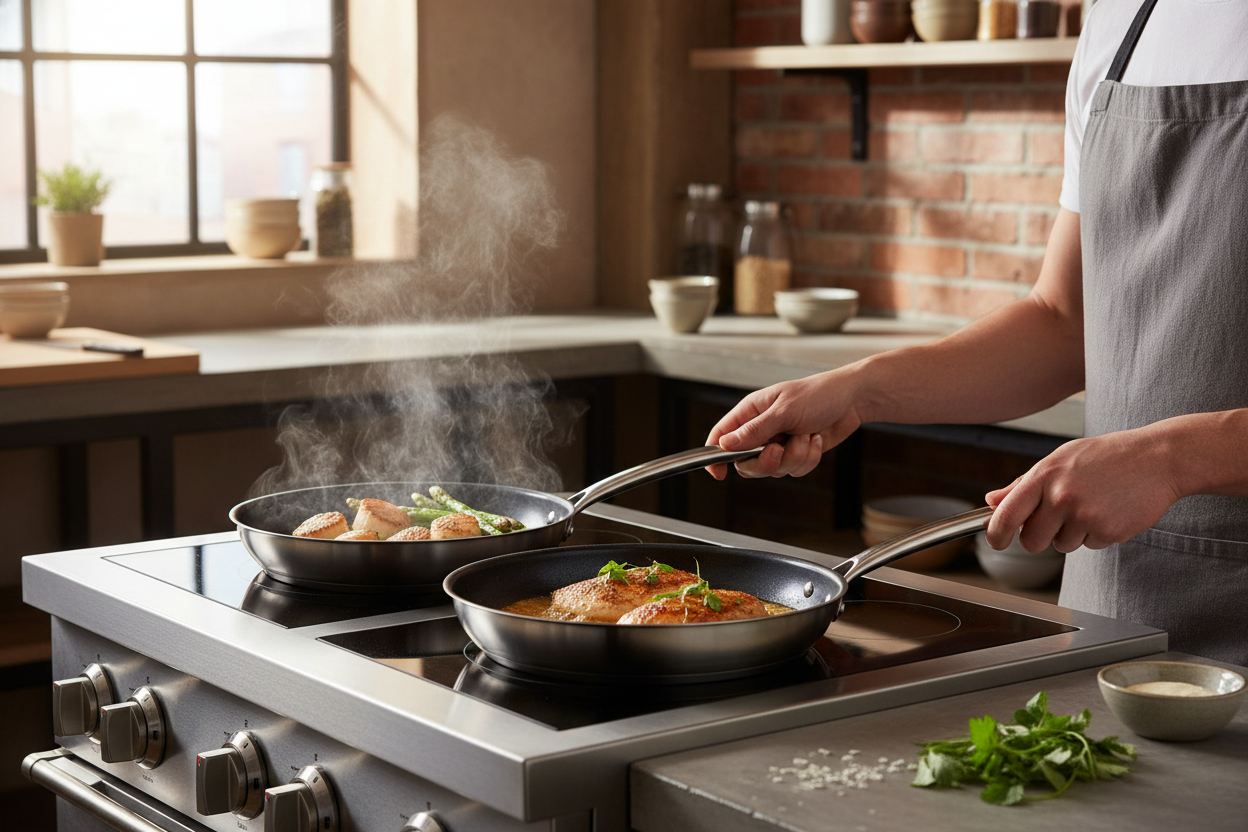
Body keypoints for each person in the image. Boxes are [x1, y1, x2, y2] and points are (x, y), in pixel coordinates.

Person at [706, 0, 1248, 667]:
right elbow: (1063, 320)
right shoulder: (1120, 24)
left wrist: (1174, 458)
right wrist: (859, 390)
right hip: (1118, 617)